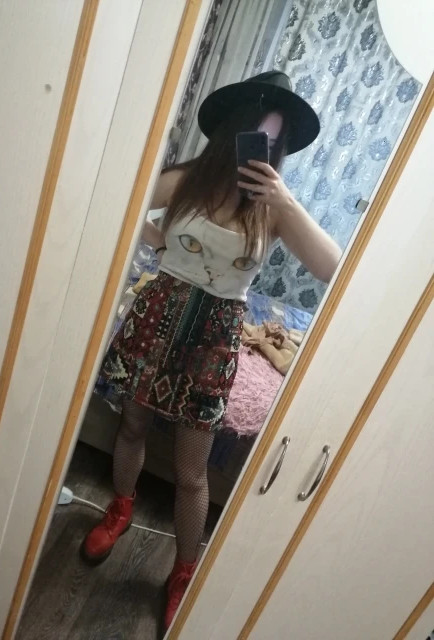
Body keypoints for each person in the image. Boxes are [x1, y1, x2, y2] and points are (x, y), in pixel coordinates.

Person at [80, 71, 342, 631]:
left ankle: (183, 570)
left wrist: (286, 200)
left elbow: (332, 267)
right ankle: (120, 507)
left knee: (192, 470)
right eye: (257, 135)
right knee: (131, 425)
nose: (263, 149)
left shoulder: (272, 210)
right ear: (232, 131)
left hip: (215, 337)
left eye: (274, 143)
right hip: (157, 318)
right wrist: (159, 244)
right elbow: (121, 201)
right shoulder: (184, 181)